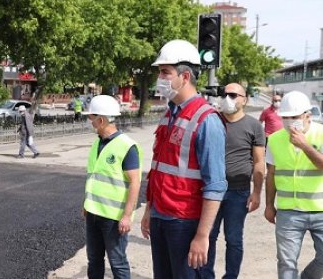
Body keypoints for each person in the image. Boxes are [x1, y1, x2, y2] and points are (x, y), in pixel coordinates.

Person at [140, 39, 228, 278]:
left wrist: (202, 236)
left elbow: (216, 185)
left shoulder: (206, 120)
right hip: (162, 216)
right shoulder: (169, 114)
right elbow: (158, 168)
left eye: (165, 72)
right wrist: (150, 210)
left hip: (185, 222)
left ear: (185, 76)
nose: (160, 78)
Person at [200, 83, 265, 279]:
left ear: (244, 99)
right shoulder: (212, 121)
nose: (228, 98)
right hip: (211, 190)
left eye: (233, 95)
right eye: (224, 94)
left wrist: (256, 193)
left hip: (238, 192)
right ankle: (205, 275)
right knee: (207, 236)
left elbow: (259, 162)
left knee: (234, 239)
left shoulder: (254, 126)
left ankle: (231, 276)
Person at [82, 95, 142, 279]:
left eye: (91, 118)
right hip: (93, 213)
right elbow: (94, 177)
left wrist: (126, 216)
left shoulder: (127, 146)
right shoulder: (97, 143)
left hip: (114, 219)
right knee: (94, 260)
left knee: (117, 262)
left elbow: (135, 182)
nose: (89, 122)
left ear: (101, 120)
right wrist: (86, 204)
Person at [264, 90, 323, 279]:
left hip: (320, 209)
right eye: (285, 117)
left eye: (294, 117)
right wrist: (268, 206)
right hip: (288, 212)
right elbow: (271, 174)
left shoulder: (321, 134)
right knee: (286, 263)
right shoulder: (274, 139)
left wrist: (305, 145)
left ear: (307, 115)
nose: (289, 121)